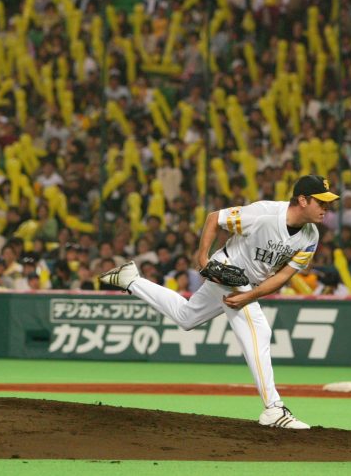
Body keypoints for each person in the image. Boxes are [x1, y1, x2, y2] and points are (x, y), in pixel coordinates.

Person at [100, 174, 338, 430]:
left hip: (249, 283)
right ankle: (273, 408)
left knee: (186, 317)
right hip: (227, 267)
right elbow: (216, 217)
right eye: (321, 202)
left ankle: (131, 280)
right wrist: (202, 257)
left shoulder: (310, 236)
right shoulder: (264, 214)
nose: (326, 208)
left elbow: (283, 277)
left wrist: (249, 296)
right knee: (258, 329)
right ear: (302, 200)